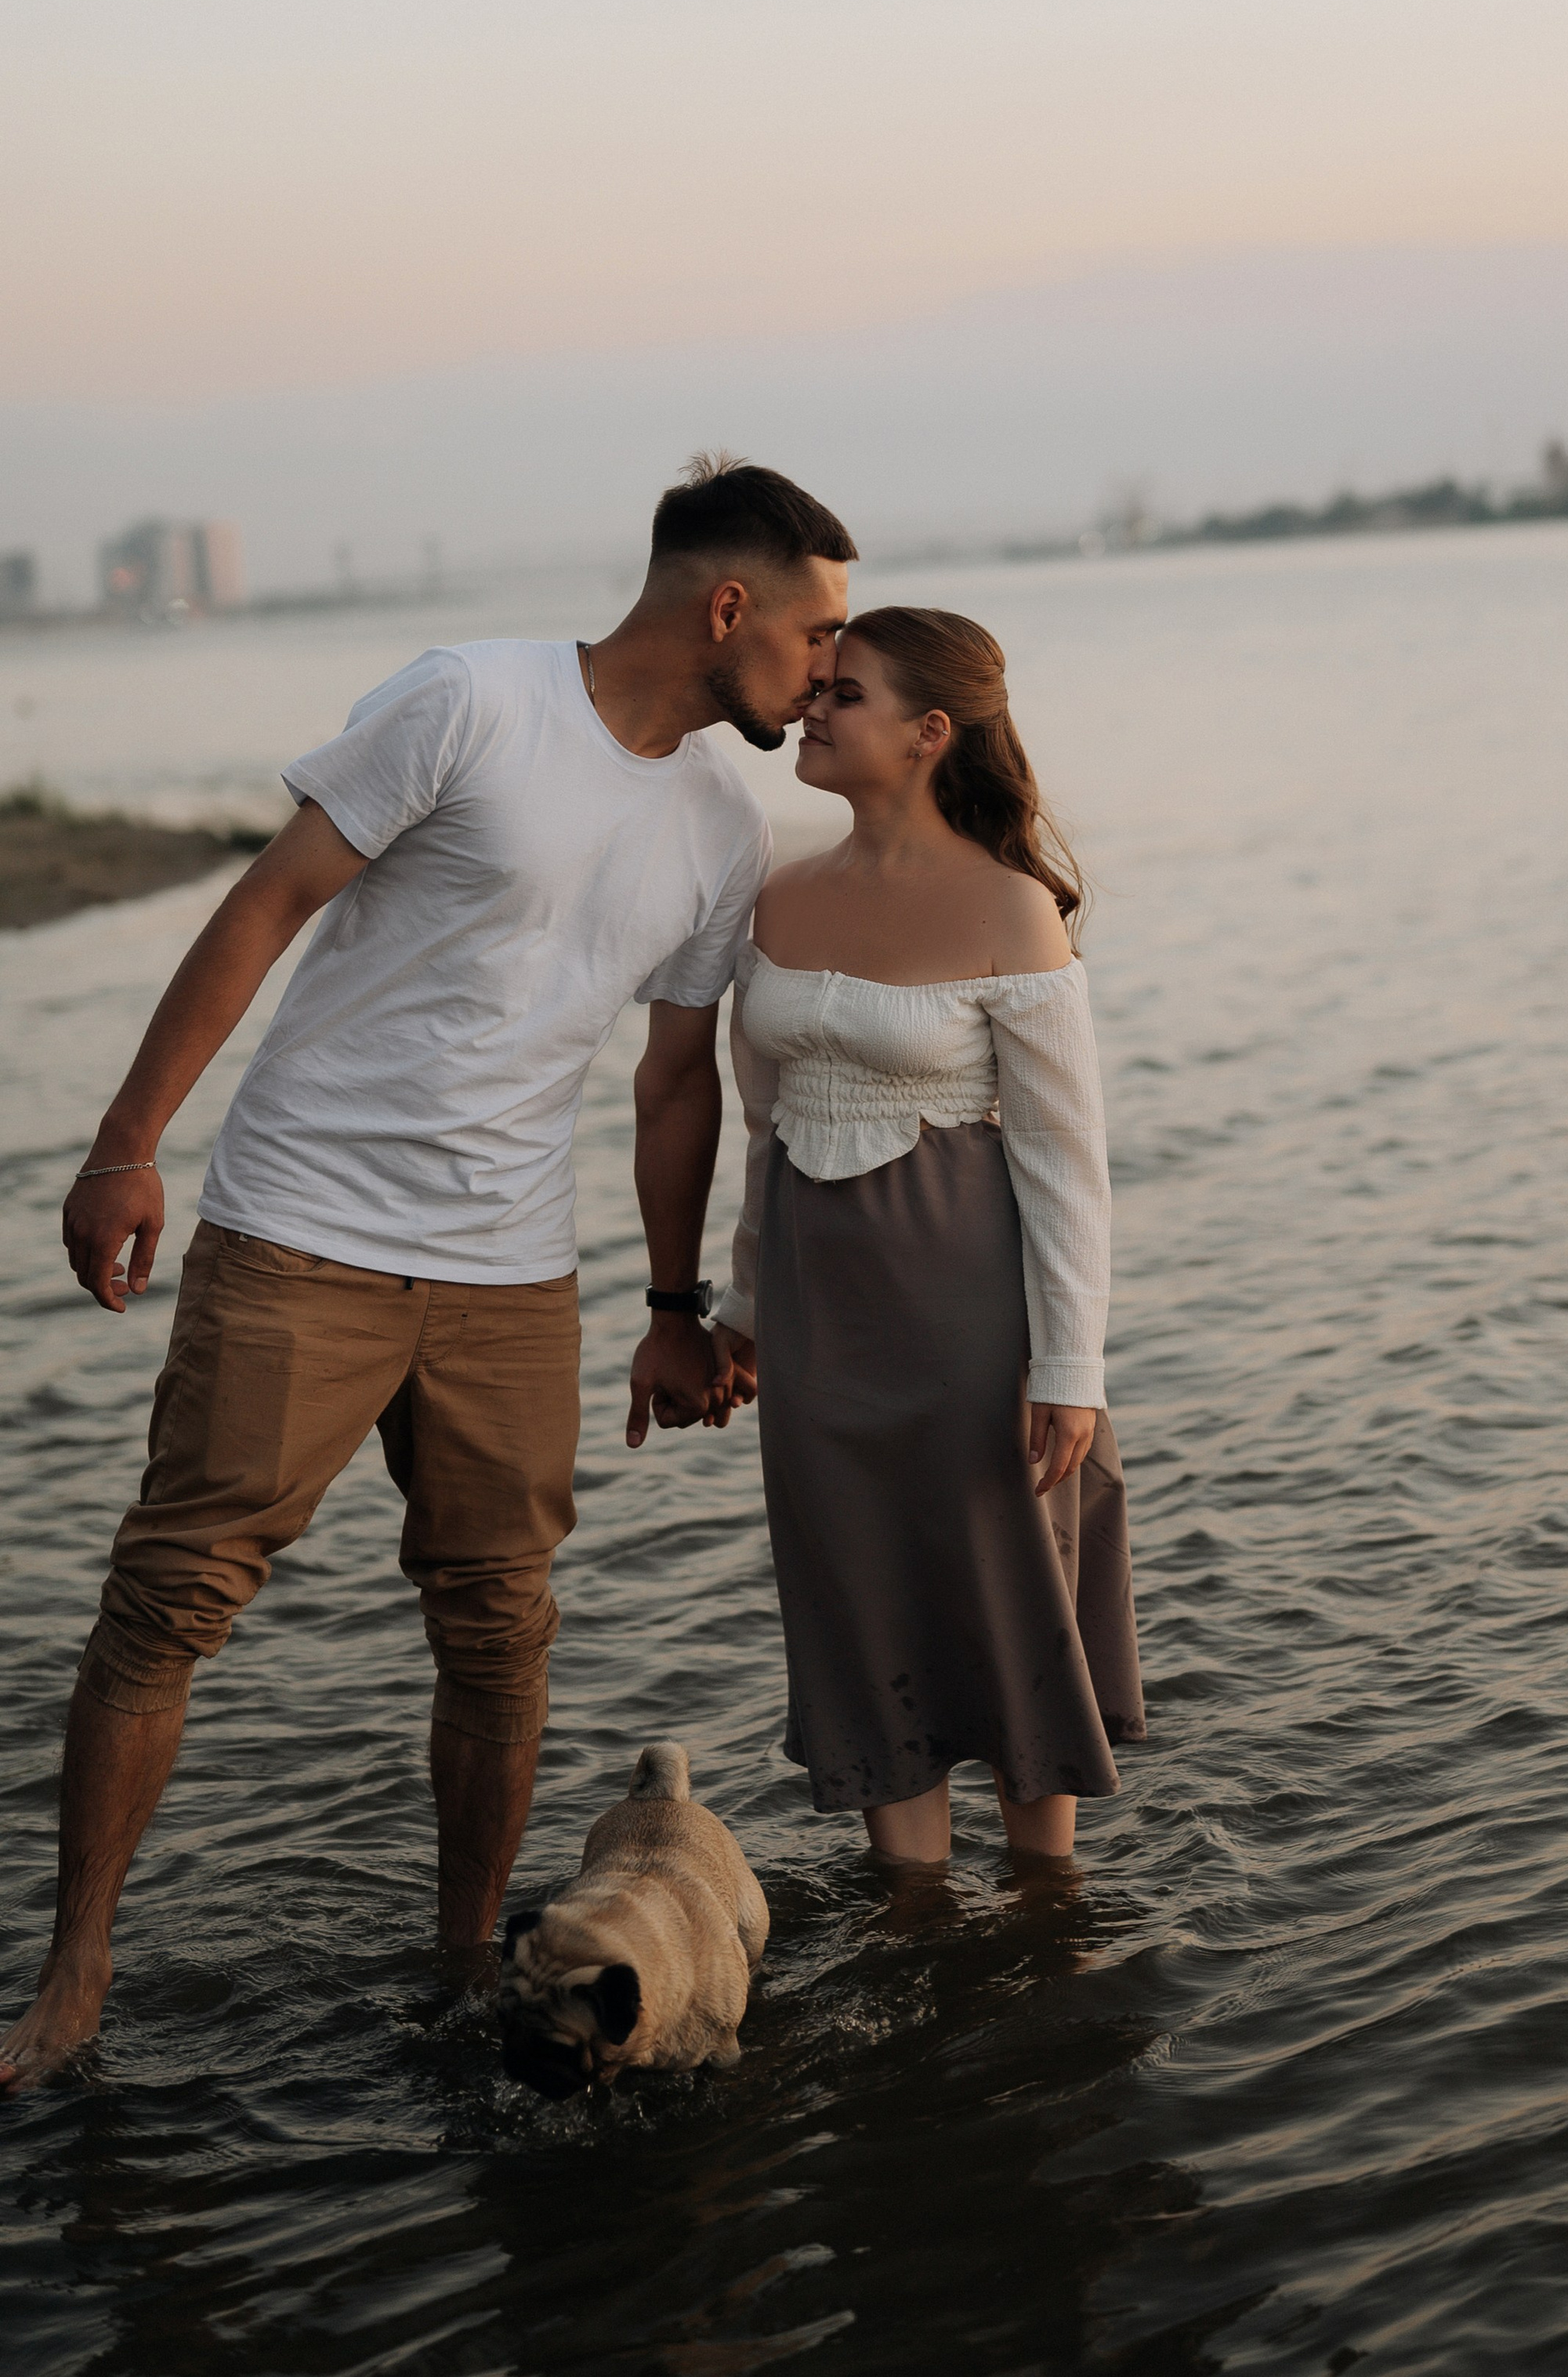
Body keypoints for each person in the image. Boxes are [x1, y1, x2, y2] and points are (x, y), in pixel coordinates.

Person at [0, 455, 856, 2093]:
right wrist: (125, 1144)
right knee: (171, 1595)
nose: (828, 668)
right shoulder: (470, 699)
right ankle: (75, 1967)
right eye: (817, 633)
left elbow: (673, 1082)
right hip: (302, 1232)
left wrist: (673, 1309)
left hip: (510, 1277)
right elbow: (266, 904)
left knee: (499, 1630)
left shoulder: (723, 824)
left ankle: (468, 1966)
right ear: (727, 606)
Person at [713, 607, 1143, 1870]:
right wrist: (741, 1310)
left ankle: (1048, 1902)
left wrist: (1070, 1368)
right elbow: (763, 1129)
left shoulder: (1013, 910)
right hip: (817, 1325)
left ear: (928, 732)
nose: (809, 708)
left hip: (970, 1319)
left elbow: (1067, 1165)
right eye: (817, 688)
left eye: (842, 694)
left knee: (1005, 1592)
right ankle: (911, 1905)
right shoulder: (778, 897)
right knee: (858, 1599)